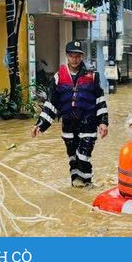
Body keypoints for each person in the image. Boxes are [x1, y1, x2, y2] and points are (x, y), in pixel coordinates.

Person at [32, 41, 109, 187]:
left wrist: (103, 122)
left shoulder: (93, 76)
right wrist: (40, 124)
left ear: (82, 57)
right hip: (68, 124)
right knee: (73, 157)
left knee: (83, 156)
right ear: (67, 56)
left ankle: (87, 183)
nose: (75, 59)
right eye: (72, 56)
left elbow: (100, 101)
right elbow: (51, 103)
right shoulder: (58, 77)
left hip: (88, 123)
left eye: (78, 56)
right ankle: (76, 186)